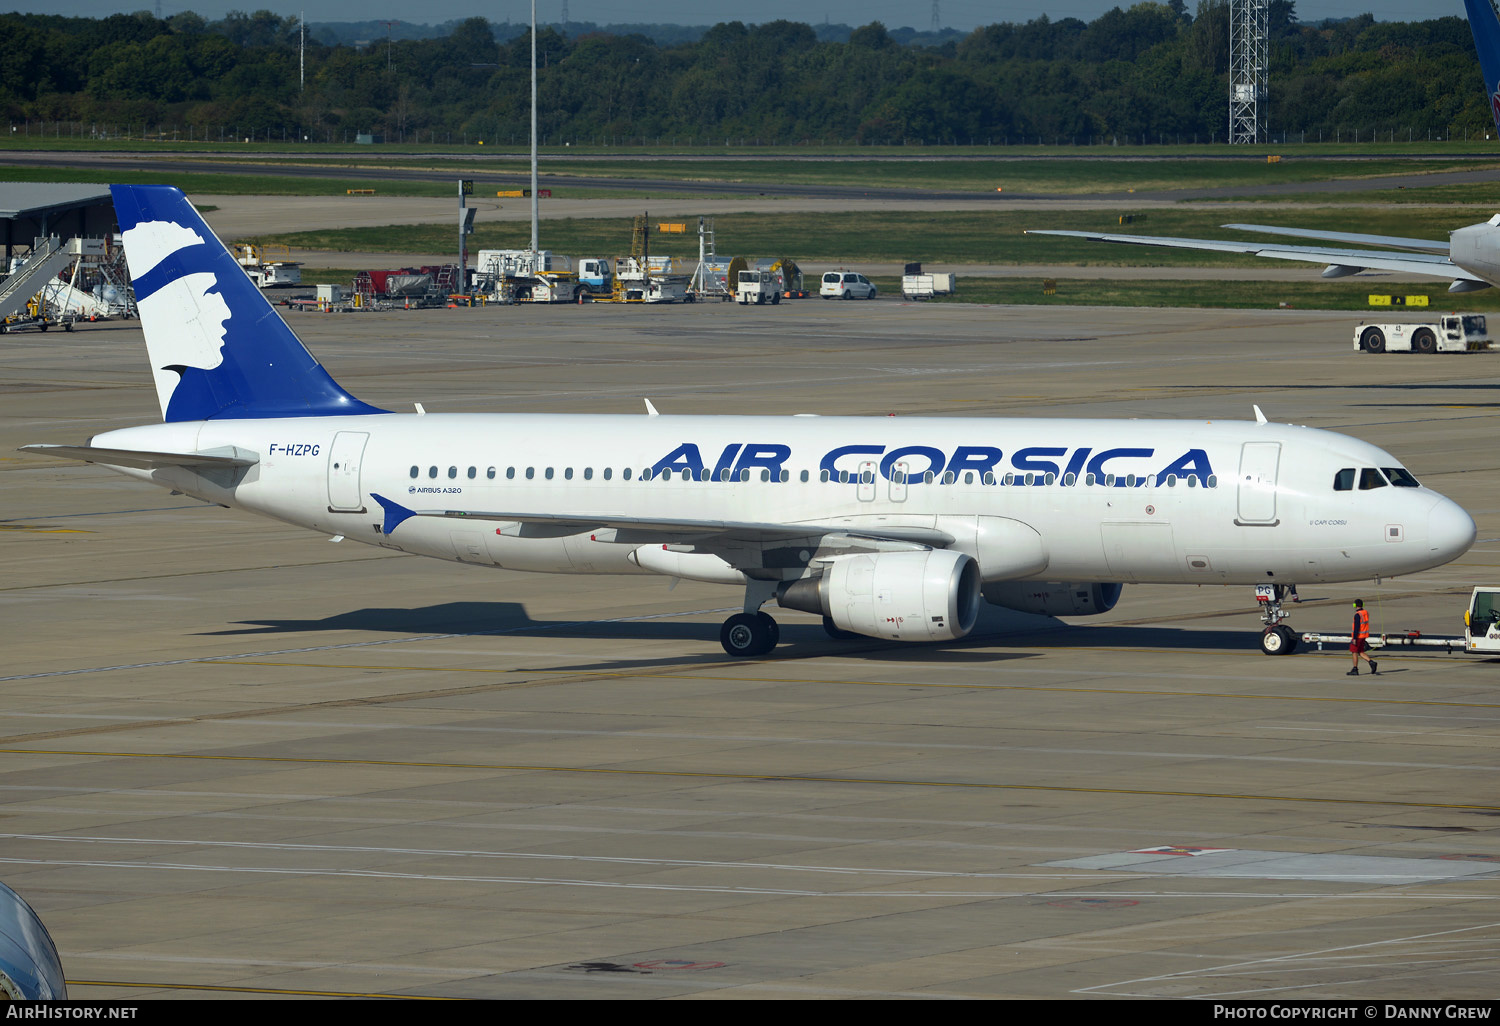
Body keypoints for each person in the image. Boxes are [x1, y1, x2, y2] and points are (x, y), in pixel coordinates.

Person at [1348, 599, 1378, 676]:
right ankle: (1371, 662)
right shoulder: (1365, 613)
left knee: (1354, 652)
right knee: (1360, 652)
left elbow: (1356, 627)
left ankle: (1355, 669)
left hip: (1358, 636)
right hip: (1363, 636)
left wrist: (1354, 638)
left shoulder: (1358, 615)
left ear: (1355, 605)